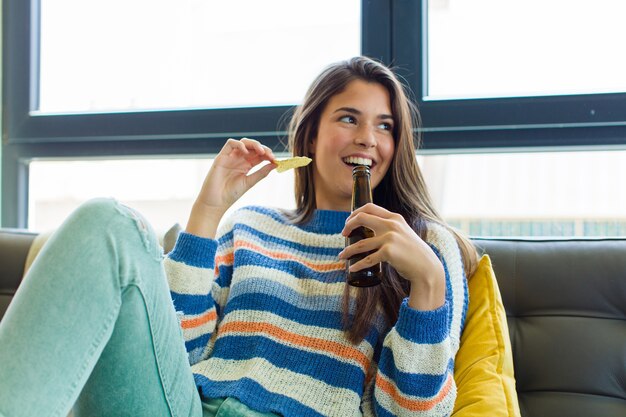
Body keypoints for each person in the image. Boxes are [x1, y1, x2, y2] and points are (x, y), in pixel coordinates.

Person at [0, 56, 478, 417]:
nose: (368, 138)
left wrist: (428, 284)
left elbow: (413, 413)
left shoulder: (426, 248)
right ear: (310, 134)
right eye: (348, 118)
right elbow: (178, 354)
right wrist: (208, 212)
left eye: (385, 126)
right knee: (108, 223)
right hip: (186, 406)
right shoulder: (249, 226)